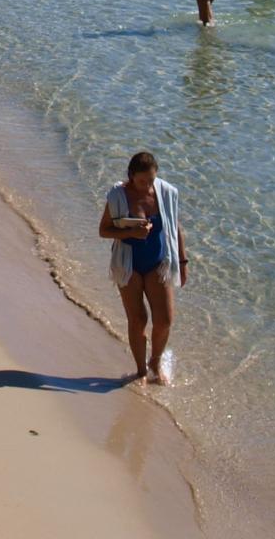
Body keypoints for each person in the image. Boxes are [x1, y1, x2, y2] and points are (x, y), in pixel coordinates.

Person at [98, 151, 187, 383]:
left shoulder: (164, 193)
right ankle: (140, 371)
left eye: (151, 180)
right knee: (138, 320)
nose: (147, 186)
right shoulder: (118, 196)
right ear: (130, 176)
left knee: (165, 320)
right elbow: (104, 230)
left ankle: (155, 361)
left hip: (158, 262)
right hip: (129, 264)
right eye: (142, 181)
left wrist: (183, 263)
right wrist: (131, 232)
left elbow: (176, 228)